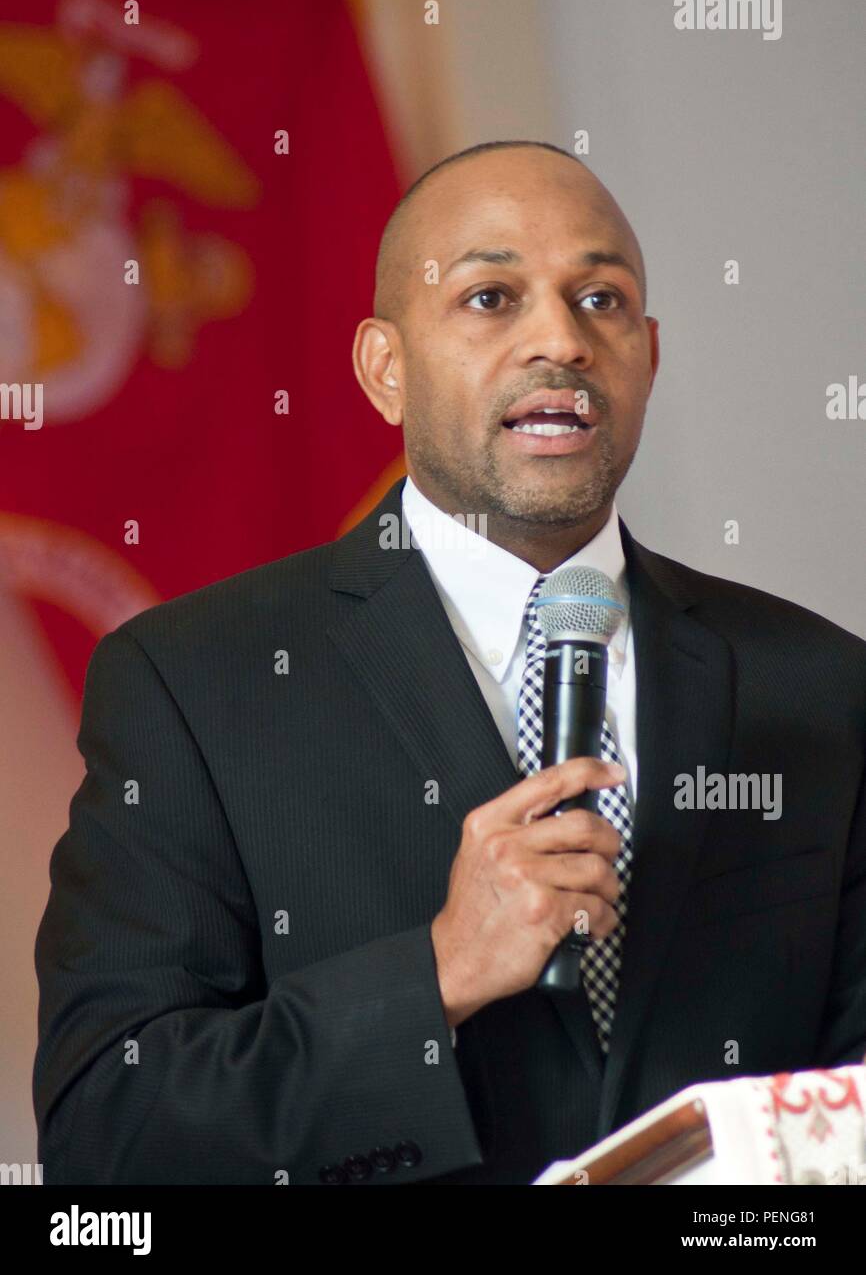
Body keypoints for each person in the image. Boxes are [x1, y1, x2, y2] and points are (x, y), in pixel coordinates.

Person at [33, 141, 866, 1185]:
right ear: (385, 369)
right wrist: (435, 973)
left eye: (598, 298)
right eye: (489, 296)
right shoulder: (193, 682)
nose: (558, 339)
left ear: (647, 356)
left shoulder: (820, 685)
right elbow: (108, 1130)